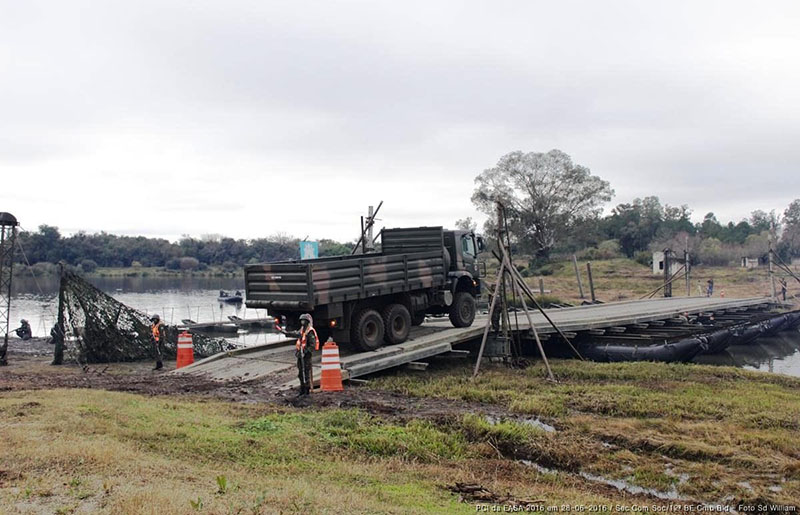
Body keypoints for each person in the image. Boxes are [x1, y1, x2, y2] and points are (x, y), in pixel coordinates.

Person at [279, 313, 319, 396]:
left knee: (306, 374)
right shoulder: (302, 330)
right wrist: (286, 333)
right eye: (301, 321)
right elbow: (296, 334)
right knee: (301, 373)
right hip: (300, 355)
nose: (302, 323)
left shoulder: (310, 331)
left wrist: (306, 351)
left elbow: (312, 345)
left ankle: (306, 391)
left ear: (307, 322)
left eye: (304, 321)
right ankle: (302, 389)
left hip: (306, 356)